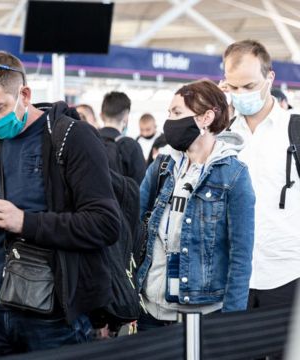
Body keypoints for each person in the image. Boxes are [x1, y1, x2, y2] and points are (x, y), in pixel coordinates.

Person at [0, 50, 121, 358]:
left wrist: (24, 222)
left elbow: (106, 223)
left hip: (55, 315)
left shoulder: (72, 137)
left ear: (24, 94)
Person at [137, 79, 255, 330]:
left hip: (203, 315)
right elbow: (136, 227)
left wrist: (232, 323)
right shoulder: (162, 167)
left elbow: (240, 257)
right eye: (169, 113)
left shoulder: (233, 175)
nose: (170, 121)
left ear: (206, 118)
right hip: (150, 311)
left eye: (177, 113)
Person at [223, 40, 300, 313]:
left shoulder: (295, 130)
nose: (240, 93)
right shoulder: (222, 138)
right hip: (232, 281)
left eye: (249, 86)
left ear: (270, 78)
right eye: (232, 87)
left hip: (288, 276)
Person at [99, 91, 146, 185]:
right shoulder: (131, 146)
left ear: (101, 115)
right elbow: (140, 188)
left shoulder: (89, 141)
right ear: (126, 116)